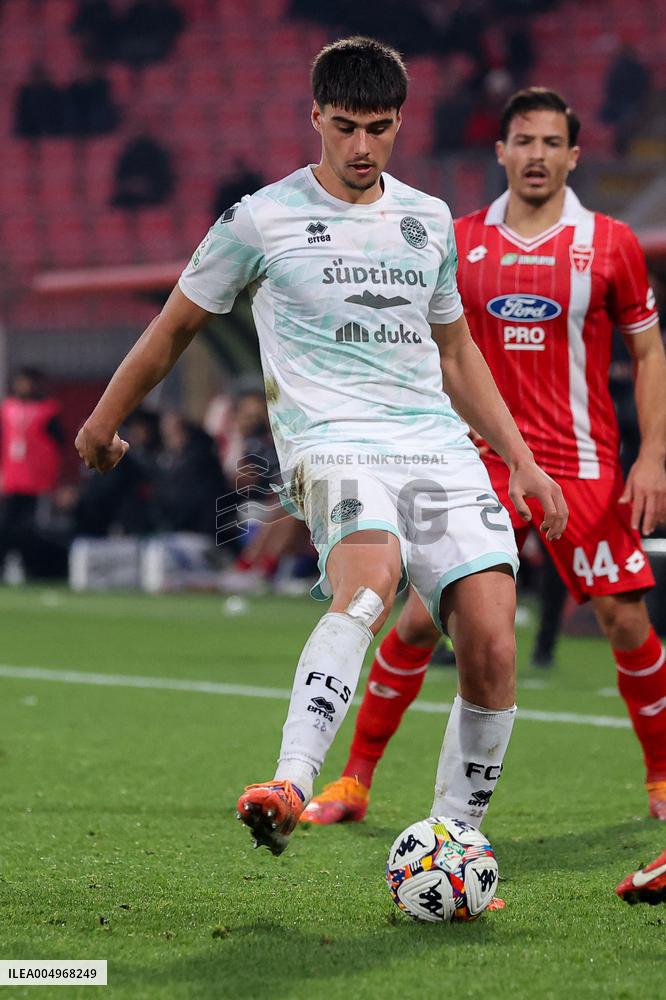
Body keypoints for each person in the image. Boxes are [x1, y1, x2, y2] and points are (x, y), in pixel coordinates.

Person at [75, 40, 566, 857]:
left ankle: (454, 844)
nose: (362, 147)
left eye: (379, 128)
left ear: (400, 121)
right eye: (345, 127)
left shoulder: (428, 220)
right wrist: (102, 420)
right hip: (331, 445)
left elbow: (456, 353)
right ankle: (292, 780)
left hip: (435, 446)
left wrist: (520, 456)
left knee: (490, 638)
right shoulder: (259, 219)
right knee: (370, 580)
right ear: (316, 118)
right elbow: (174, 329)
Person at [302, 87, 666, 827]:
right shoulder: (453, 238)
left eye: (550, 142)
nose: (536, 155)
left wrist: (653, 454)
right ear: (499, 152)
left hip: (581, 461)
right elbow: (431, 347)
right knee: (416, 620)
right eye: (522, 141)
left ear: (574, 154)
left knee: (625, 620)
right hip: (473, 462)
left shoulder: (612, 244)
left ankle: (662, 777)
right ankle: (354, 780)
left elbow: (649, 349)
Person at [0, 368, 64, 575]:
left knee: (33, 530)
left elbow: (59, 446)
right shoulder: (7, 408)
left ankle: (34, 570)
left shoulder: (49, 410)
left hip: (38, 483)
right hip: (12, 481)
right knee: (6, 527)